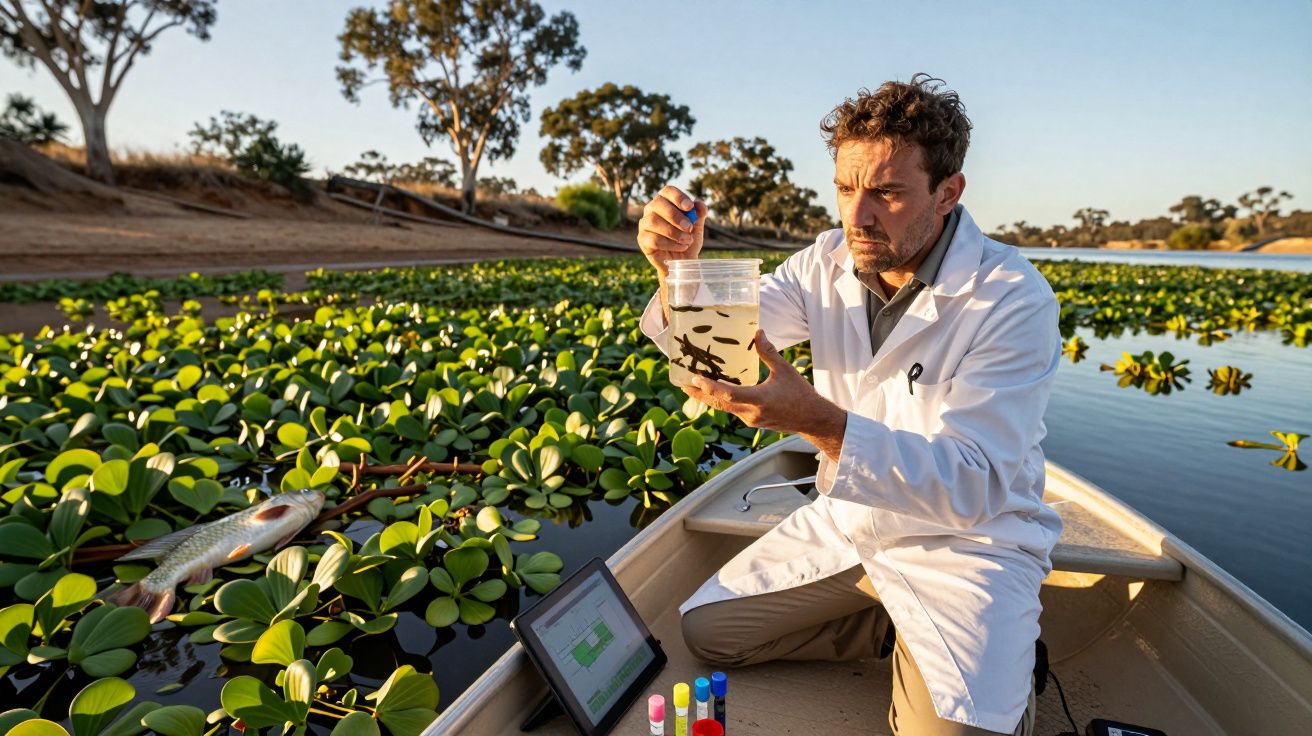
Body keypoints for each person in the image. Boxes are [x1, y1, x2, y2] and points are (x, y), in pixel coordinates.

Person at [635, 74, 1061, 735]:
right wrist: (678, 270)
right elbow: (710, 349)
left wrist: (817, 422)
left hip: (967, 546)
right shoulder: (825, 261)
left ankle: (995, 663)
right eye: (844, 188)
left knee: (961, 727)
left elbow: (974, 485)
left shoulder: (1011, 298)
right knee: (707, 632)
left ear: (948, 193)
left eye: (887, 193)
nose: (855, 216)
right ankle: (895, 630)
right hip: (853, 523)